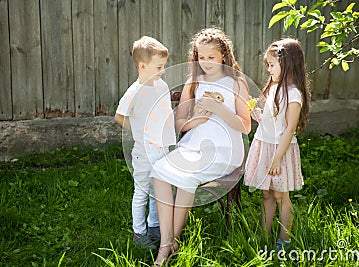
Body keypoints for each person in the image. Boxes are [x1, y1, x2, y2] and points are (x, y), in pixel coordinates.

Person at [150, 28, 251, 266]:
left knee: (188, 177)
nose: (205, 62)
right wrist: (198, 119)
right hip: (193, 143)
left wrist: (220, 110)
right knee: (159, 172)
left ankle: (167, 246)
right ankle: (168, 242)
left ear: (223, 57)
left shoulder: (236, 82)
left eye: (211, 57)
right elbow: (180, 123)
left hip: (224, 149)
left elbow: (245, 126)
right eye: (201, 57)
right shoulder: (194, 82)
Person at [244, 38, 311, 252]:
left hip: (279, 150)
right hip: (264, 145)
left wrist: (277, 158)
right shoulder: (273, 88)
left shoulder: (293, 93)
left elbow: (289, 128)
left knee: (281, 195)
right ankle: (264, 234)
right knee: (266, 194)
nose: (269, 69)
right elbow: (268, 119)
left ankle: (284, 240)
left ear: (288, 63)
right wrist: (255, 113)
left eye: (272, 65)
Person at [114, 36, 176, 249]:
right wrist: (139, 131)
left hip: (162, 147)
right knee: (141, 190)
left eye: (163, 66)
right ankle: (139, 233)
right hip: (144, 150)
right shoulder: (134, 92)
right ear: (142, 66)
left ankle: (154, 226)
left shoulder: (162, 86)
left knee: (157, 189)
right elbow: (119, 116)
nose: (163, 70)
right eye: (159, 66)